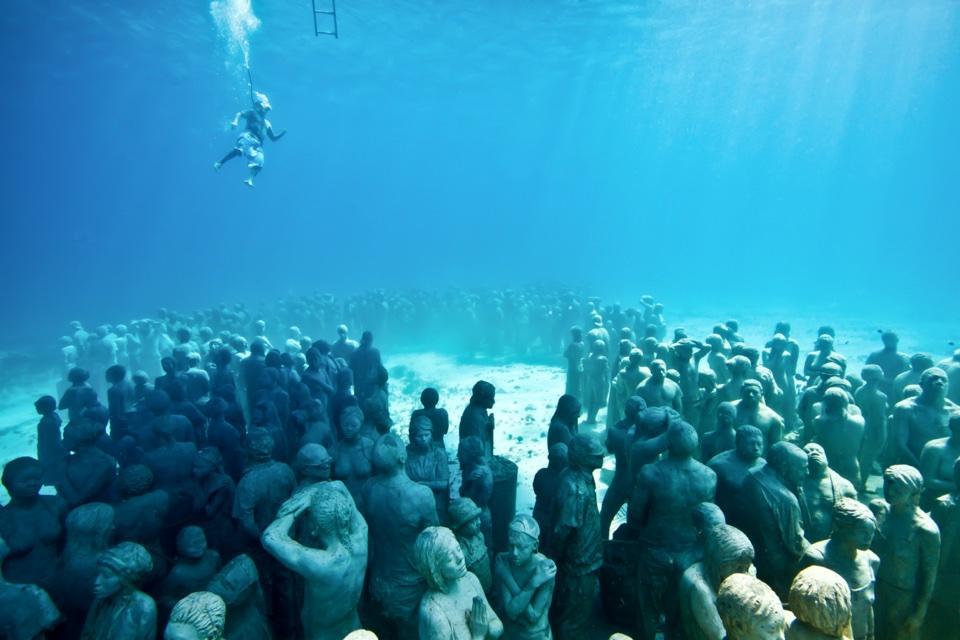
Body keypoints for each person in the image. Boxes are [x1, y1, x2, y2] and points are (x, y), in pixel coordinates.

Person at [214, 88, 286, 188]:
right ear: (260, 107)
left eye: (267, 110)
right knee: (238, 150)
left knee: (259, 162)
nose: (265, 111)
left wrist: (282, 134)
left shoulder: (266, 123)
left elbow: (273, 138)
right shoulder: (252, 112)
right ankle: (219, 163)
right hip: (247, 136)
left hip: (258, 145)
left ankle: (250, 179)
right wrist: (235, 122)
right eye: (265, 108)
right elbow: (240, 113)